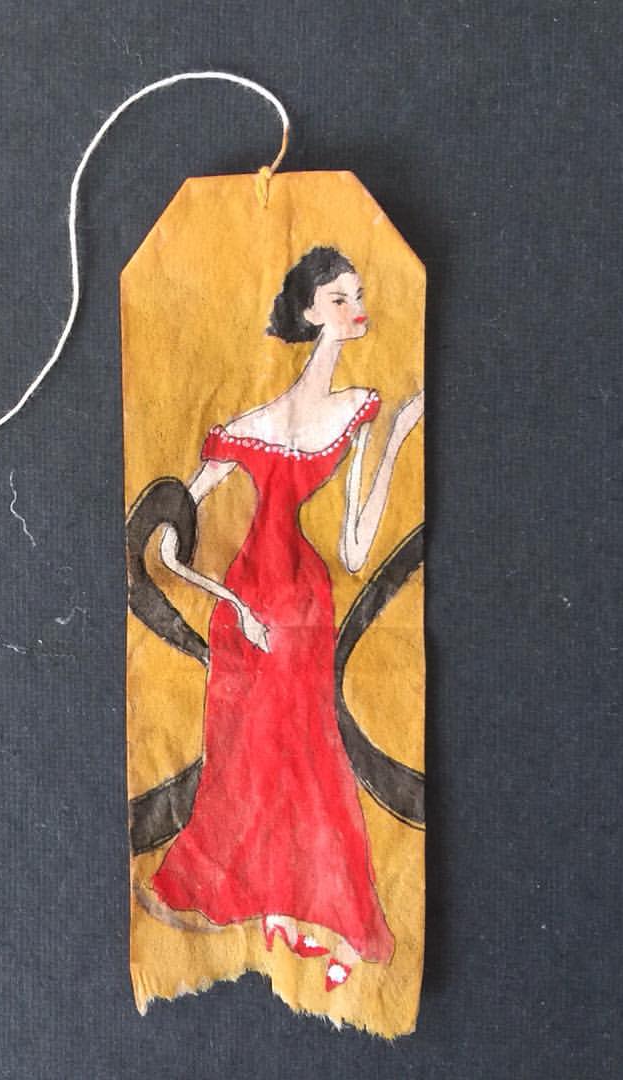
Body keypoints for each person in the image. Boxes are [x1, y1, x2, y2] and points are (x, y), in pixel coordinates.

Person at [149, 247, 424, 991]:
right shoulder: (246, 428)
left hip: (307, 611)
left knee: (310, 763)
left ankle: (309, 910)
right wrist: (238, 608)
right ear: (309, 312)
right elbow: (168, 549)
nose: (356, 308)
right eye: (340, 298)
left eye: (358, 295)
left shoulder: (358, 410)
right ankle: (252, 901)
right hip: (248, 614)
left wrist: (398, 436)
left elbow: (356, 548)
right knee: (247, 763)